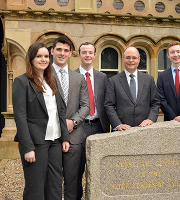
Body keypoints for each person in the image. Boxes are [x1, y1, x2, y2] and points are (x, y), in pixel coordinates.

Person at [13, 42, 70, 200]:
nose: (43, 59)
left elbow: (60, 111)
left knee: (55, 184)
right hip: (35, 142)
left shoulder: (52, 81)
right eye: (39, 56)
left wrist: (65, 137)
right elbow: (20, 116)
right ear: (31, 59)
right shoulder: (21, 82)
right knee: (35, 188)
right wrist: (27, 147)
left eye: (46, 56)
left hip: (55, 141)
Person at [51, 36, 90, 200]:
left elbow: (86, 105)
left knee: (73, 183)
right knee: (51, 182)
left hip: (74, 136)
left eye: (66, 50)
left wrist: (73, 122)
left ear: (71, 53)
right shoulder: (43, 74)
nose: (62, 53)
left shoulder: (78, 78)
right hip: (50, 137)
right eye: (59, 49)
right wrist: (60, 123)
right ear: (52, 51)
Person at [75, 42, 110, 199]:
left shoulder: (103, 77)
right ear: (79, 54)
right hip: (79, 128)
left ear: (95, 55)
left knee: (98, 167)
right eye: (84, 52)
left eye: (90, 52)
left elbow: (108, 103)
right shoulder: (72, 76)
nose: (87, 55)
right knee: (76, 168)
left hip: (99, 127)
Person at [105, 46, 160, 131]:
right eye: (128, 57)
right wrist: (118, 124)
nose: (131, 60)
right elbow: (109, 105)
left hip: (145, 129)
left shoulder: (149, 79)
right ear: (123, 59)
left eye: (134, 58)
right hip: (122, 130)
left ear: (139, 59)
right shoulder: (113, 81)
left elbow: (155, 103)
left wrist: (150, 119)